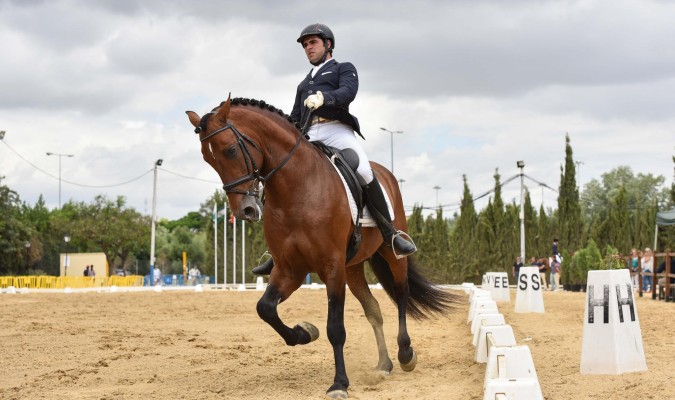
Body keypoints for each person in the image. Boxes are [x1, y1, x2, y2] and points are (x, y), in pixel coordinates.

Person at [252, 23, 416, 275]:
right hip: (309, 134)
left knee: (363, 171)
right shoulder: (303, 83)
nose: (308, 48)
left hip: (337, 130)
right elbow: (295, 116)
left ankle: (391, 234)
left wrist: (324, 99)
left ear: (328, 44)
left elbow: (348, 92)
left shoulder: (343, 69)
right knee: (278, 179)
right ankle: (277, 252)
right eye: (305, 45)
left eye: (313, 43)